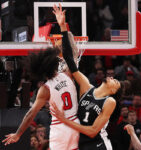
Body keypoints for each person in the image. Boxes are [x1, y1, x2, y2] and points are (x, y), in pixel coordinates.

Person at [50, 4, 127, 150]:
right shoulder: (86, 87)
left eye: (115, 81)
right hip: (81, 144)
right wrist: (63, 27)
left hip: (98, 144)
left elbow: (92, 132)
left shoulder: (109, 101)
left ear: (113, 91)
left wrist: (64, 120)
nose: (111, 77)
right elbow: (69, 60)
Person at [2, 19, 80, 150]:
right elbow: (73, 56)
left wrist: (18, 133)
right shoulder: (67, 74)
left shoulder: (45, 89)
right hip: (74, 128)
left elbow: (30, 114)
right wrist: (66, 32)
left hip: (59, 130)